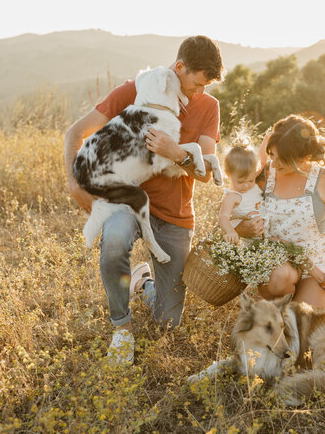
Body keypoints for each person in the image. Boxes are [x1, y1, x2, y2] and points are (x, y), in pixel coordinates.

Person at [64, 35, 224, 364]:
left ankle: (144, 283)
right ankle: (121, 330)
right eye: (196, 84)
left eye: (205, 86)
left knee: (167, 322)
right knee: (114, 243)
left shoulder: (208, 107)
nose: (200, 93)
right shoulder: (133, 90)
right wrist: (74, 183)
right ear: (179, 67)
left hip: (174, 214)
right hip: (126, 201)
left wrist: (175, 152)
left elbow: (205, 173)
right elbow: (74, 133)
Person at [238, 115, 325, 307]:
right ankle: (280, 313)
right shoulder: (265, 175)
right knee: (279, 279)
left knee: (311, 327)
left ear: (304, 157)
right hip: (278, 266)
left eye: (282, 159)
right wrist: (243, 229)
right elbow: (234, 206)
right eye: (272, 156)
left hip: (317, 268)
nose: (274, 164)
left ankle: (292, 312)